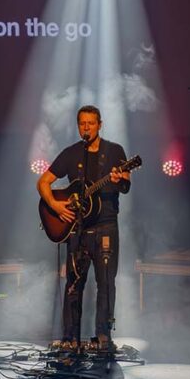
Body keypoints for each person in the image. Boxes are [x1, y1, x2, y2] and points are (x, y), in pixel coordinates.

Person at [37, 105, 131, 350]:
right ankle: (70, 337)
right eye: (82, 123)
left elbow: (125, 185)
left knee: (106, 283)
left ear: (100, 124)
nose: (86, 127)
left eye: (91, 123)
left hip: (106, 226)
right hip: (77, 229)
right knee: (73, 283)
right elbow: (44, 182)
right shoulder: (70, 154)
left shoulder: (114, 151)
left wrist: (121, 178)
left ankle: (102, 337)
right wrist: (55, 207)